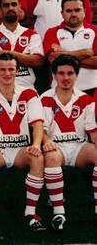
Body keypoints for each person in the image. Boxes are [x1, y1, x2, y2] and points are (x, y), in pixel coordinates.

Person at [0, 52, 46, 233]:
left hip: (20, 149)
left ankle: (31, 213)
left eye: (11, 69)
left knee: (37, 158)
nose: (7, 74)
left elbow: (37, 122)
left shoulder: (30, 93)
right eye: (3, 70)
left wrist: (37, 144)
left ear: (17, 70)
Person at [41, 54, 97, 231]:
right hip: (57, 146)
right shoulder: (44, 98)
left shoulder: (85, 99)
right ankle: (59, 212)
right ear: (54, 75)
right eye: (61, 73)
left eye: (70, 73)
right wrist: (46, 141)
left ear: (77, 75)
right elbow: (39, 129)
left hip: (79, 146)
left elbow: (92, 131)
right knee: (51, 157)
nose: (66, 78)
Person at [0, 0, 43, 88]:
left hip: (26, 88)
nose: (10, 8)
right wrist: (25, 57)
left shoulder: (32, 34)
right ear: (0, 8)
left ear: (19, 6)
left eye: (14, 4)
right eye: (6, 5)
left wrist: (9, 54)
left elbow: (38, 61)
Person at [43, 0, 97, 96]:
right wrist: (85, 52)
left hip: (92, 91)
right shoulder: (52, 32)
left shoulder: (95, 31)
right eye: (69, 11)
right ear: (62, 13)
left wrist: (63, 54)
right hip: (61, 93)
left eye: (77, 10)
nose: (73, 14)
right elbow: (53, 59)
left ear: (84, 12)